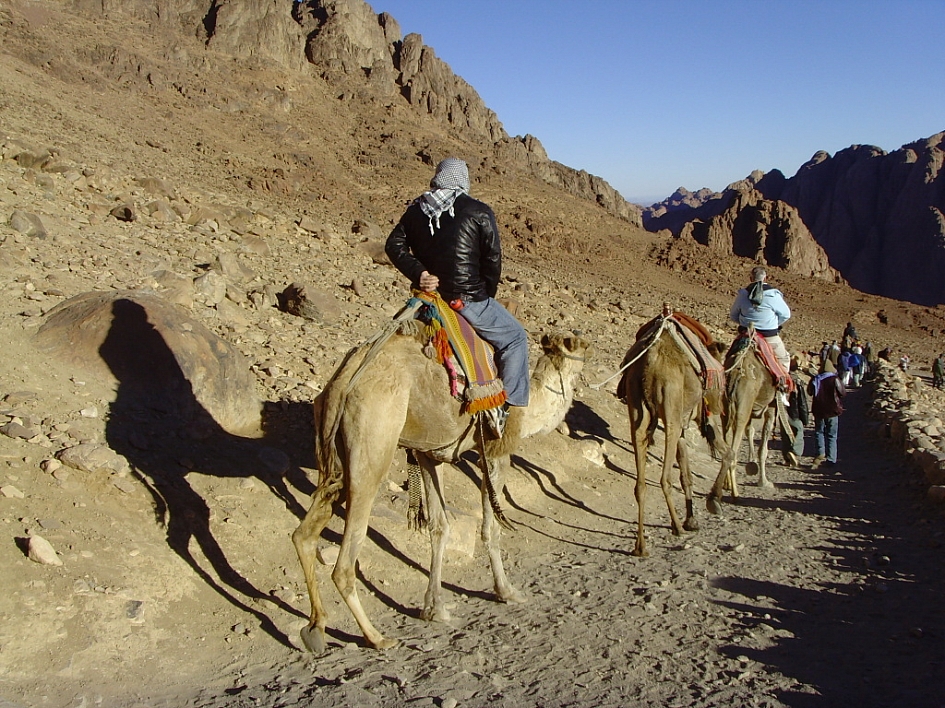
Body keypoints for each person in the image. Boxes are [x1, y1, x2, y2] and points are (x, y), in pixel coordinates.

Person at [385, 157, 529, 435]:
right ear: (463, 179)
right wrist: (486, 296)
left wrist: (419, 273)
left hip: (428, 297)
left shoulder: (418, 209)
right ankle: (507, 407)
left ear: (438, 177)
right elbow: (492, 260)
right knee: (515, 337)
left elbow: (394, 245)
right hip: (466, 299)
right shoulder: (478, 211)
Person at [730, 265, 791, 372]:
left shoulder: (743, 294)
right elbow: (786, 315)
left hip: (747, 335)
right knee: (784, 359)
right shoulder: (773, 295)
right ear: (765, 278)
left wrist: (744, 322)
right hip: (769, 337)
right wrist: (774, 324)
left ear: (751, 278)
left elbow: (733, 315)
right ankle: (782, 381)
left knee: (730, 356)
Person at [808, 361, 845, 468]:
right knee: (832, 435)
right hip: (833, 411)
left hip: (819, 410)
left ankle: (820, 453)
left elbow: (810, 392)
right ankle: (831, 459)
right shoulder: (835, 379)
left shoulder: (816, 379)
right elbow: (842, 392)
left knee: (819, 432)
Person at [783, 355, 809, 467]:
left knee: (785, 434)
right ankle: (794, 452)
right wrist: (805, 417)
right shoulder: (797, 381)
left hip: (782, 411)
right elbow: (802, 401)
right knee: (799, 431)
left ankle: (787, 459)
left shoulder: (781, 379)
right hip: (794, 412)